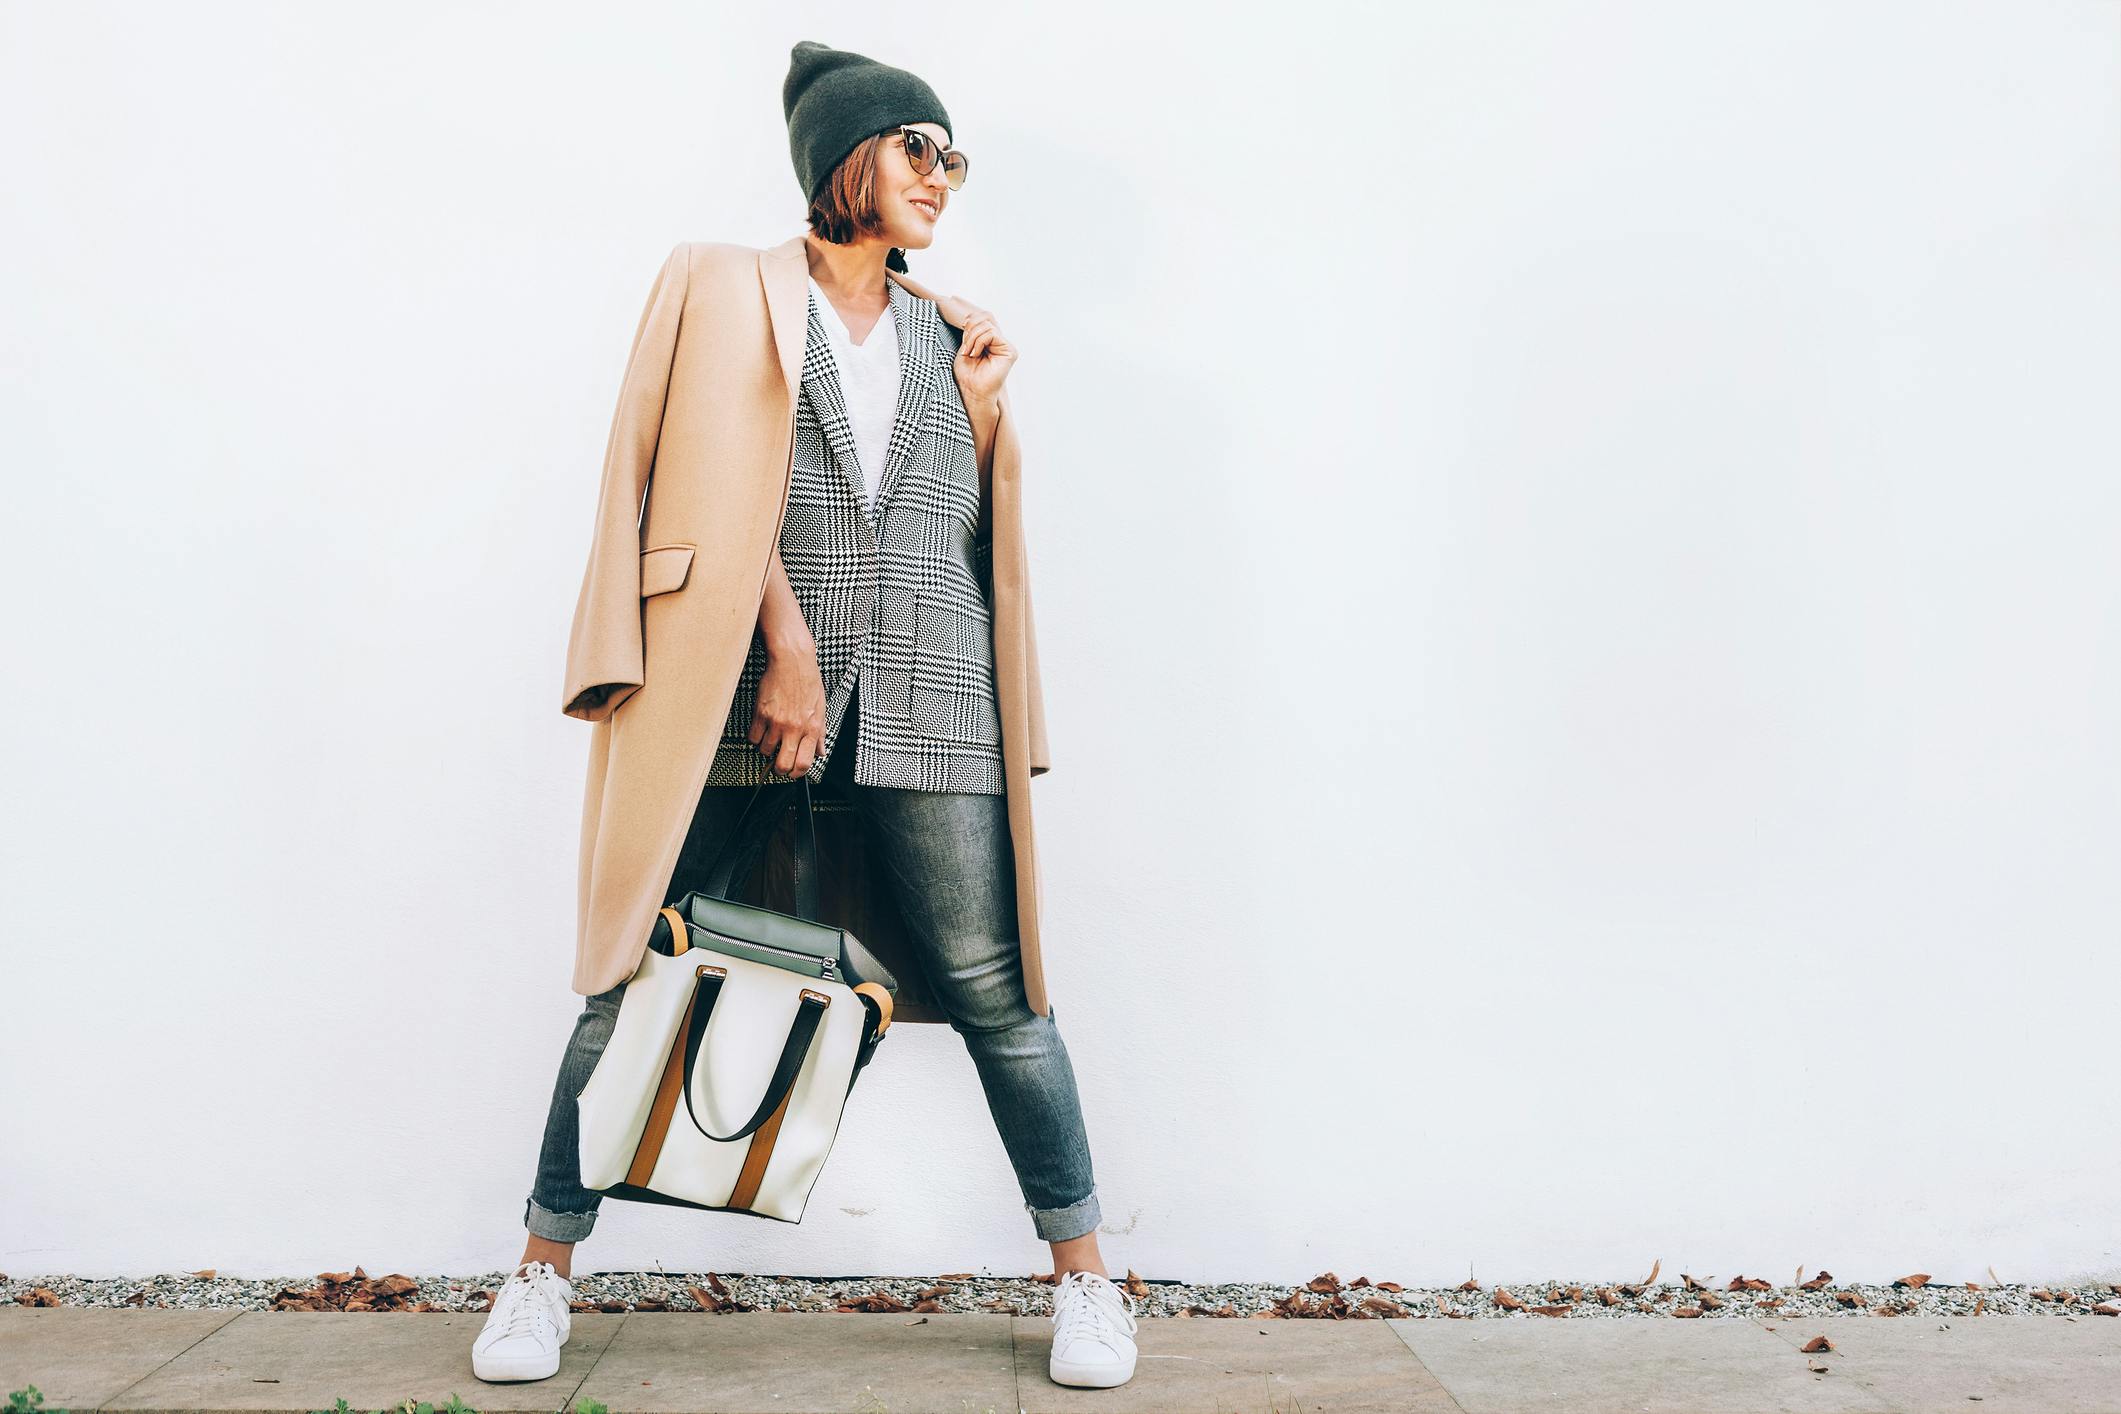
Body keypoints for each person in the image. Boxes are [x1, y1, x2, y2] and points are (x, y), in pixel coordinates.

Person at [472, 41, 1138, 1391]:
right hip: (736, 679)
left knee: (1005, 990)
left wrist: (989, 415)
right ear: (846, 156)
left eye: (953, 159)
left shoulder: (959, 334)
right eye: (917, 150)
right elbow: (688, 478)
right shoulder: (717, 285)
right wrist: (780, 637)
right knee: (631, 970)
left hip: (932, 688)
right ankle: (540, 1271)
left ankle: (1088, 1285)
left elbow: (962, 539)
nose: (941, 180)